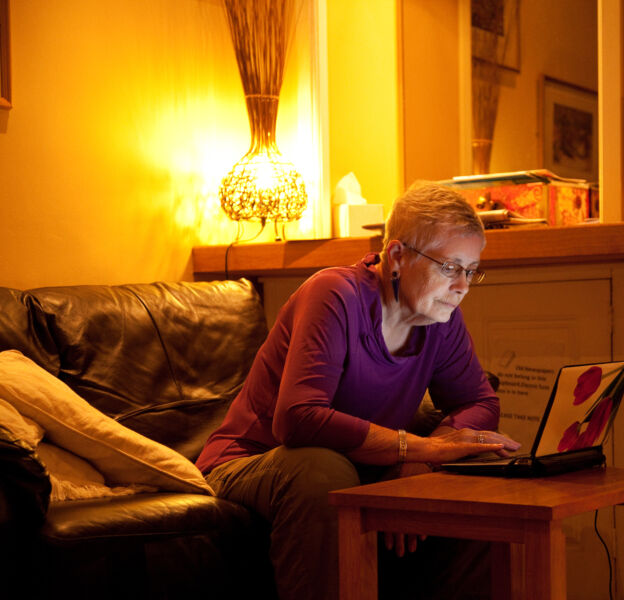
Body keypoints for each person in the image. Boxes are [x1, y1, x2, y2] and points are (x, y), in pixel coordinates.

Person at [195, 182, 521, 600]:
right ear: (397, 256)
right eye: (449, 267)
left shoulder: (440, 318)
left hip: (363, 466)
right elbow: (298, 419)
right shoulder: (334, 293)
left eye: (471, 270)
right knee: (322, 469)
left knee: (485, 460)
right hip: (252, 461)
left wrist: (425, 461)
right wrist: (420, 448)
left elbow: (480, 401)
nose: (463, 286)